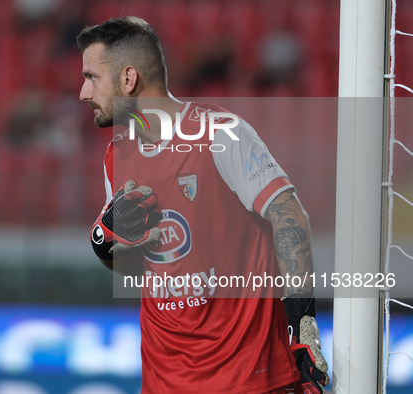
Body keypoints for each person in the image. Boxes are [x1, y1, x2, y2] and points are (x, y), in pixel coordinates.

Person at [77, 16, 329, 394]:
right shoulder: (118, 155)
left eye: (92, 77)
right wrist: (106, 246)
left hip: (247, 380)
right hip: (164, 382)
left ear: (128, 79)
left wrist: (303, 324)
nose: (83, 93)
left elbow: (288, 215)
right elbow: (138, 267)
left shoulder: (220, 133)